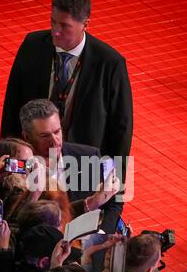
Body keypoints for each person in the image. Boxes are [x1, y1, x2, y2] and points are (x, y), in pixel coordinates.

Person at [1, 0, 133, 181]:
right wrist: (7, 156)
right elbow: (12, 105)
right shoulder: (32, 45)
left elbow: (121, 127)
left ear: (85, 24)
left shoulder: (110, 63)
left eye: (64, 26)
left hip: (82, 169)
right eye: (53, 21)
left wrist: (115, 185)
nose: (55, 31)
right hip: (33, 161)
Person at [19, 98, 122, 233]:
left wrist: (101, 237)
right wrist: (91, 203)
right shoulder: (16, 172)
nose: (55, 141)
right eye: (44, 136)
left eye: (57, 132)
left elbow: (114, 202)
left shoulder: (89, 156)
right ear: (26, 137)